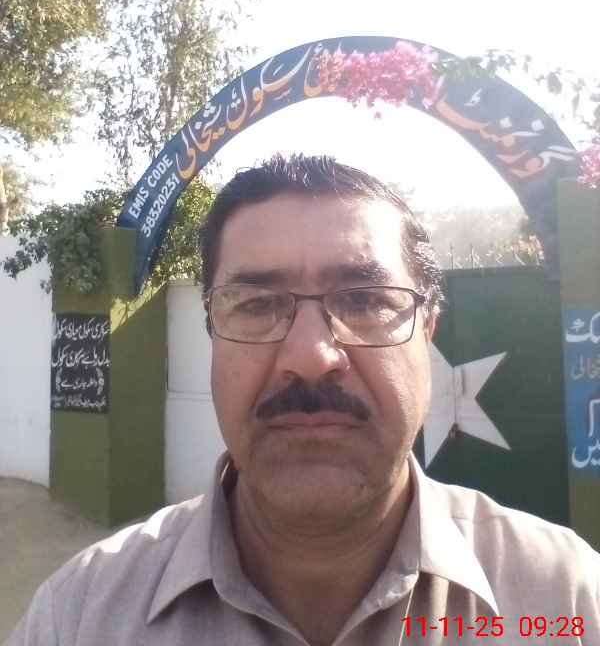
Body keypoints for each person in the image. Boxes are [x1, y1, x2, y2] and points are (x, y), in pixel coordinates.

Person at [6, 153, 600, 646]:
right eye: (256, 305)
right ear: (211, 334)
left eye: (365, 300)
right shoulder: (80, 618)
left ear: (428, 332)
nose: (312, 356)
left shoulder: (565, 600)